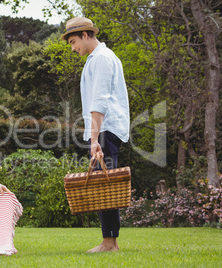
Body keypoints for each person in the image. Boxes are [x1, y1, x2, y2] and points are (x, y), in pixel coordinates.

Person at [61, 17, 130, 252]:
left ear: (86, 35)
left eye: (73, 41)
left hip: (106, 129)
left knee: (105, 186)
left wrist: (94, 140)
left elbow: (99, 101)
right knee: (104, 184)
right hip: (106, 129)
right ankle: (108, 240)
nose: (73, 48)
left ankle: (110, 243)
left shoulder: (101, 58)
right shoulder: (98, 58)